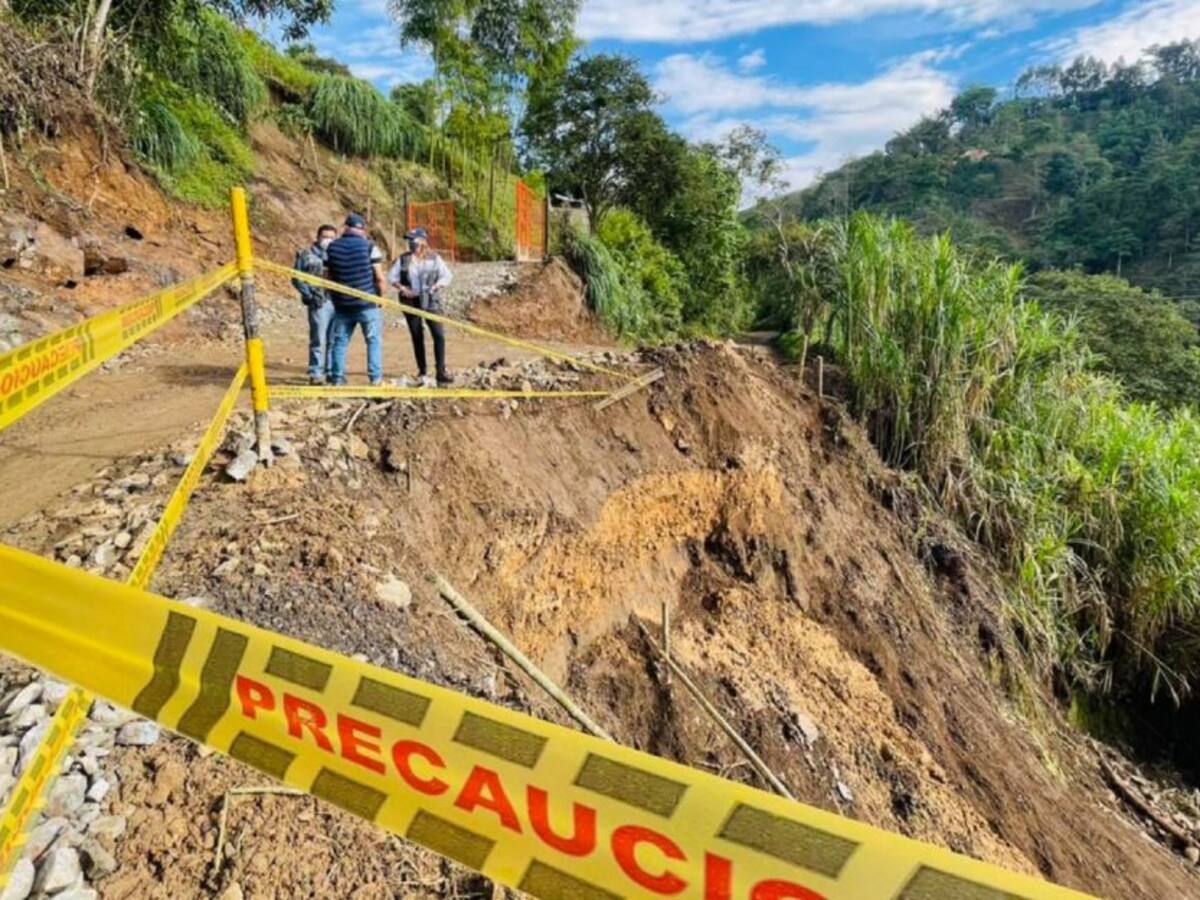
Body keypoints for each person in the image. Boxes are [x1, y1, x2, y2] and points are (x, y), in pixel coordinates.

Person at [325, 213, 386, 386]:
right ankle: (375, 379)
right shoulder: (369, 247)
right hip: (367, 304)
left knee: (340, 342)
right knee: (373, 341)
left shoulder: (332, 247)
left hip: (342, 305)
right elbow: (380, 277)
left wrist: (335, 297)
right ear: (362, 229)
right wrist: (380, 298)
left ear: (345, 227)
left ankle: (337, 378)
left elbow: (326, 278)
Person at [388, 227, 454, 387]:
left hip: (431, 300)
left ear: (422, 240)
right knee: (417, 336)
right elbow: (392, 277)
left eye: (413, 239)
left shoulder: (434, 258)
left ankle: (441, 371)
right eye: (409, 240)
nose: (410, 243)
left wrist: (437, 286)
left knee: (439, 334)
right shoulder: (403, 259)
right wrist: (403, 289)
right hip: (411, 301)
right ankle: (422, 371)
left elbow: (447, 275)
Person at [292, 224, 338, 385]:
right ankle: (316, 373)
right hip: (319, 302)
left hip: (337, 301)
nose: (328, 240)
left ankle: (332, 371)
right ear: (318, 237)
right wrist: (309, 295)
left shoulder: (338, 255)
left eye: (332, 237)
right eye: (325, 236)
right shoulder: (306, 255)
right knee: (318, 338)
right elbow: (296, 278)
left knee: (334, 339)